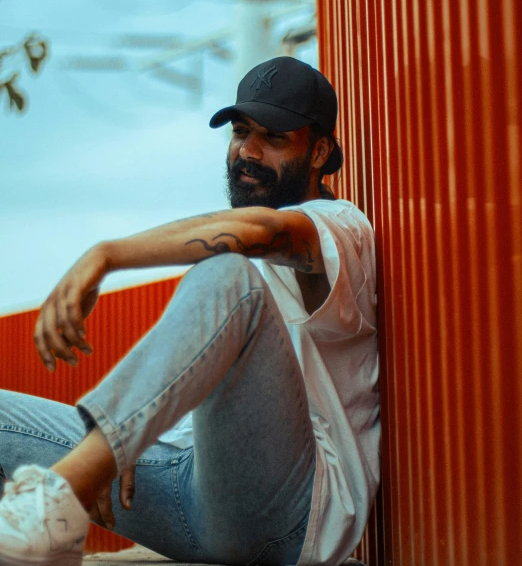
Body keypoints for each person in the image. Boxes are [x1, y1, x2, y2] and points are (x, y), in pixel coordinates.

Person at [0, 56, 380, 566]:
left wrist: (105, 254)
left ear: (319, 152)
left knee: (225, 273)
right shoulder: (248, 260)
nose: (247, 151)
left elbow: (261, 232)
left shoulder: (338, 227)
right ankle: (37, 532)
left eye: (273, 137)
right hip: (184, 493)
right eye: (241, 132)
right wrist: (134, 434)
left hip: (286, 517)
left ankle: (58, 499)